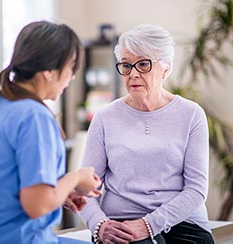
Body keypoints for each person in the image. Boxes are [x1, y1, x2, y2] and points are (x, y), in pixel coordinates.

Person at [0, 21, 102, 244]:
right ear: (48, 72)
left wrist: (58, 192)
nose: (72, 76)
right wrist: (75, 178)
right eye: (71, 66)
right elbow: (37, 206)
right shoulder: (34, 116)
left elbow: (8, 187)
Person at [79, 24, 215, 244]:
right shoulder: (105, 117)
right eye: (126, 65)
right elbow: (86, 188)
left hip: (184, 223)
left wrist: (149, 224)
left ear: (166, 68)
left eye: (143, 64)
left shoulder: (191, 114)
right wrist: (99, 225)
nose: (133, 73)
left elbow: (196, 190)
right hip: (121, 223)